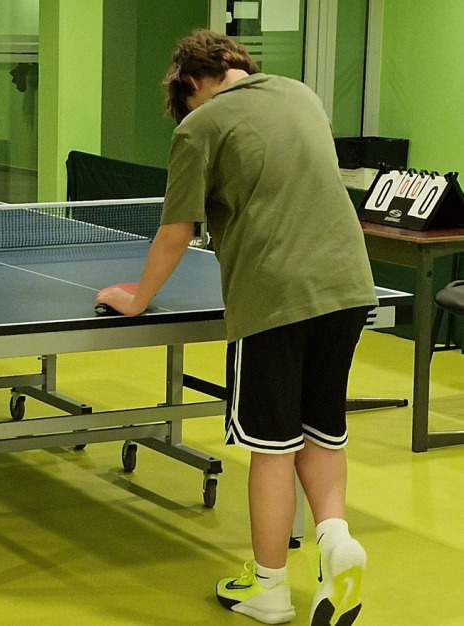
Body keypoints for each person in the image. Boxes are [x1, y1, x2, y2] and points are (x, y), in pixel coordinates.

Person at [95, 30, 375, 626]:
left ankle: (268, 589)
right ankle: (335, 540)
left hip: (274, 295)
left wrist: (138, 298)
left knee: (271, 448)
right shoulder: (302, 94)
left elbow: (177, 230)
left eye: (186, 100)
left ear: (193, 83)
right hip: (349, 286)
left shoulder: (199, 127)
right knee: (322, 430)